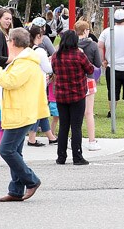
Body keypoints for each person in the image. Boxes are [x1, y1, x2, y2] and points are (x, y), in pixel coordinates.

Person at [0, 28, 47, 202]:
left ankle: (32, 180)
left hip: (20, 112)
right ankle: (15, 190)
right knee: (15, 152)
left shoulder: (25, 62)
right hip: (21, 111)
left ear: (12, 42)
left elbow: (10, 81)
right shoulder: (23, 60)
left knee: (6, 150)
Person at [51, 30, 94, 165]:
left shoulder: (56, 56)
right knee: (76, 126)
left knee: (64, 126)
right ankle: (77, 156)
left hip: (61, 95)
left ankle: (61, 156)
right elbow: (90, 70)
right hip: (77, 94)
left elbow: (54, 70)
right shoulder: (79, 55)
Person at [26, 26, 58, 148]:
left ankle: (50, 136)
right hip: (39, 84)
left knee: (42, 111)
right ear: (39, 36)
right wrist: (51, 61)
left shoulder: (27, 49)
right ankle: (32, 138)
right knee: (39, 110)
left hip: (30, 83)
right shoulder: (40, 51)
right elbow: (48, 69)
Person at [75, 20, 102, 151]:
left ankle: (74, 140)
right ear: (86, 31)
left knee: (75, 112)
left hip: (74, 80)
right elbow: (98, 63)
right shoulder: (93, 45)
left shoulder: (71, 44)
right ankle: (92, 141)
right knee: (89, 112)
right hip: (89, 79)